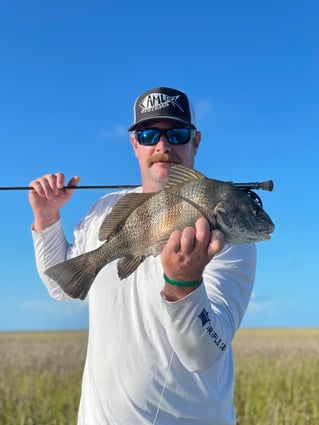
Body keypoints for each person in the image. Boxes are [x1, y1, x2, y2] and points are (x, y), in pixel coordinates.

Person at [29, 86, 256, 425]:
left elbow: (204, 352)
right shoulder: (104, 210)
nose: (162, 146)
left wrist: (184, 284)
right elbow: (64, 287)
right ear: (135, 144)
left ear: (196, 141)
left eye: (177, 134)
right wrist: (47, 220)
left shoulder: (225, 238)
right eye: (149, 134)